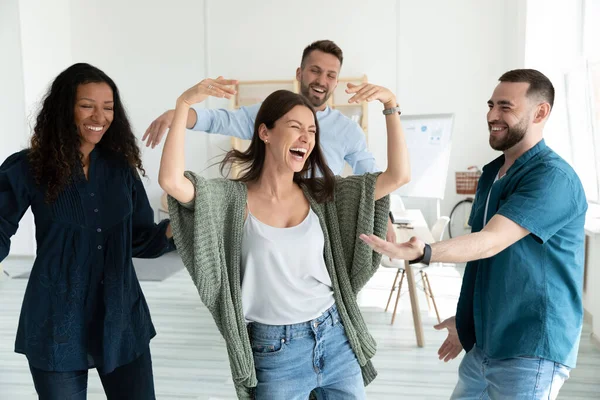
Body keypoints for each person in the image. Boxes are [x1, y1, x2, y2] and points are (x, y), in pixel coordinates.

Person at [159, 76, 409, 398]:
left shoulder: (324, 197)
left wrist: (390, 105)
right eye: (295, 127)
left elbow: (398, 176)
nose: (306, 138)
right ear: (265, 132)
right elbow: (171, 180)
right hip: (275, 351)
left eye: (312, 131)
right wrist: (183, 104)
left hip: (334, 336)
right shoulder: (230, 200)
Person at [360, 69, 587, 400]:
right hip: (485, 344)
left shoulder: (553, 179)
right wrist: (467, 320)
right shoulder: (492, 173)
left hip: (530, 347)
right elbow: (484, 265)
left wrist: (424, 252)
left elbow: (490, 243)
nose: (492, 115)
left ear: (540, 113)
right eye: (491, 105)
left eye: (505, 107)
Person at [0, 63, 175, 399]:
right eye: (87, 105)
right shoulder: (29, 167)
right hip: (56, 322)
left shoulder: (121, 169)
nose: (100, 116)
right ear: (64, 109)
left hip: (122, 319)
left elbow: (141, 239)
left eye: (108, 107)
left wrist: (179, 228)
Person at [144, 39, 398, 243]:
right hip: (265, 219)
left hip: (315, 227)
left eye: (331, 75)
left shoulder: (348, 131)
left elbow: (372, 177)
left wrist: (384, 217)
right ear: (300, 73)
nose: (322, 80)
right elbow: (219, 120)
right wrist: (178, 113)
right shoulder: (270, 112)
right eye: (315, 70)